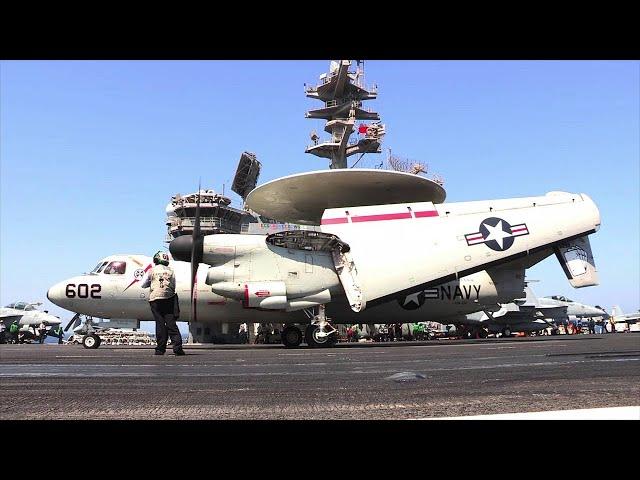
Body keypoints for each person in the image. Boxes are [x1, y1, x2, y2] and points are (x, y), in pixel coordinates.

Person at [148, 251, 184, 356]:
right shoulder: (171, 271)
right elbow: (173, 284)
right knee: (171, 324)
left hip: (155, 299)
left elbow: (144, 283)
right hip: (169, 298)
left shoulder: (152, 270)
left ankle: (160, 349)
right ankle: (177, 348)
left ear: (156, 260)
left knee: (160, 323)